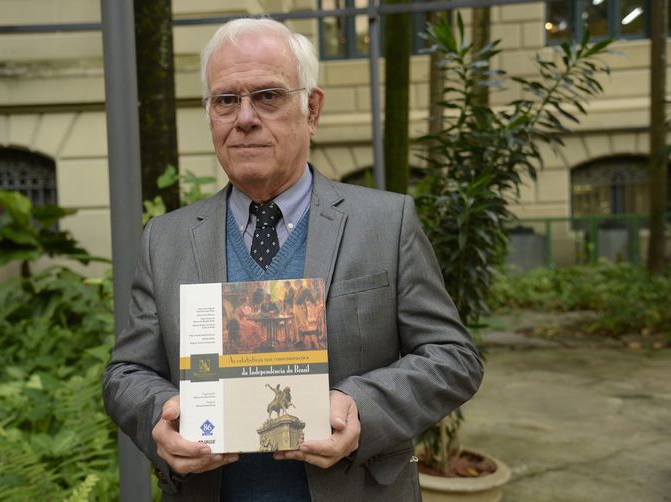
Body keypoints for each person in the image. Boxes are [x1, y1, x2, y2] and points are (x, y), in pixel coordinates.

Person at [102, 17, 483, 502]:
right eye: (226, 100)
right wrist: (162, 413)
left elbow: (454, 358)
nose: (244, 118)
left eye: (268, 96)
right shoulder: (167, 238)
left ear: (312, 108)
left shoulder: (386, 223)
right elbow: (125, 373)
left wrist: (358, 406)